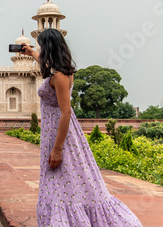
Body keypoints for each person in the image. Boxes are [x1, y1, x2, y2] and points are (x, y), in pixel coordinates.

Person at [22, 29, 142, 226]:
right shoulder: (63, 71)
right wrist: (31, 53)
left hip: (60, 135)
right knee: (66, 178)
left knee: (61, 176)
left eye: (41, 47)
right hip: (59, 133)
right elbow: (46, 64)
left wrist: (57, 148)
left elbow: (66, 112)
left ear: (49, 48)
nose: (40, 50)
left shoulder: (59, 76)